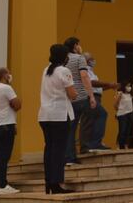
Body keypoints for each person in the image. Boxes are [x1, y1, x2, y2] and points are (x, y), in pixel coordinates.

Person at [38, 44, 78, 194]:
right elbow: (72, 94)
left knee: (49, 149)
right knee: (59, 151)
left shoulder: (46, 70)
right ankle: (56, 184)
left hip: (44, 115)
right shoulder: (64, 71)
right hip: (59, 115)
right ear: (64, 56)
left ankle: (48, 182)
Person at [63, 37, 96, 165]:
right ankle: (75, 153)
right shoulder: (79, 58)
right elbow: (84, 76)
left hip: (67, 97)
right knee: (82, 124)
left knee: (69, 127)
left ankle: (69, 155)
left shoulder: (63, 60)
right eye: (78, 44)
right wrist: (91, 95)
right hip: (80, 96)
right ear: (75, 46)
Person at [0, 67, 21, 194]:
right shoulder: (7, 88)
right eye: (8, 73)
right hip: (6, 126)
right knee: (4, 157)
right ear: (4, 75)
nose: (10, 75)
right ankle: (3, 185)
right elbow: (17, 105)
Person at [80, 53, 118, 153]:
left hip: (95, 96)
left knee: (90, 121)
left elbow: (97, 88)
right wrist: (108, 83)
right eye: (92, 58)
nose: (93, 60)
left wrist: (109, 87)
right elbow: (91, 82)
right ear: (87, 60)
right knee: (101, 114)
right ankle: (94, 143)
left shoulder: (91, 71)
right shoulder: (85, 70)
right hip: (89, 97)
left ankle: (88, 145)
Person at [114, 81, 133, 149]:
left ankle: (125, 144)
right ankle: (120, 145)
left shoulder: (130, 95)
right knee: (122, 130)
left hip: (130, 114)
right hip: (122, 115)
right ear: (124, 86)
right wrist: (119, 111)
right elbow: (115, 105)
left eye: (130, 86)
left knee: (128, 131)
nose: (129, 87)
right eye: (128, 86)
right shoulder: (120, 93)